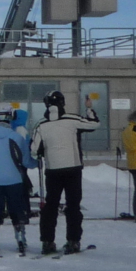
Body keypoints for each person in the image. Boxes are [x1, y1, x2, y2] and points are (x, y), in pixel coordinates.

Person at [29, 90, 99, 255]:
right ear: (62, 103)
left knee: (51, 206)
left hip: (53, 170)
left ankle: (47, 241)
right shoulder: (72, 120)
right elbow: (94, 124)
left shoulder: (41, 125)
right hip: (73, 168)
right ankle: (73, 241)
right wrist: (89, 109)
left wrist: (42, 152)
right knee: (73, 205)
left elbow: (33, 150)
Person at [0, 104, 35, 257]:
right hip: (13, 179)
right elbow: (25, 160)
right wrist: (37, 162)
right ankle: (21, 239)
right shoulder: (16, 136)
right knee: (16, 208)